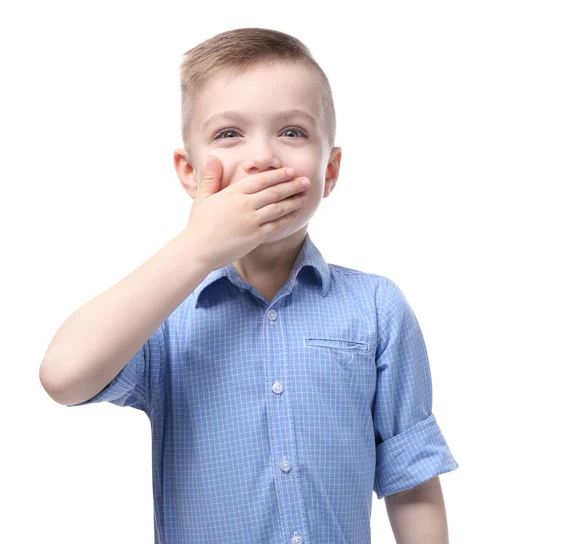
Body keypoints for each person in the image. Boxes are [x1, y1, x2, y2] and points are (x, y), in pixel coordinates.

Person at [39, 27, 459, 544]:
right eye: (229, 134)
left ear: (330, 172)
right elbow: (63, 376)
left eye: (292, 133)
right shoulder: (166, 315)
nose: (262, 157)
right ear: (190, 173)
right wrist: (197, 245)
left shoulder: (375, 307)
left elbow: (410, 477)